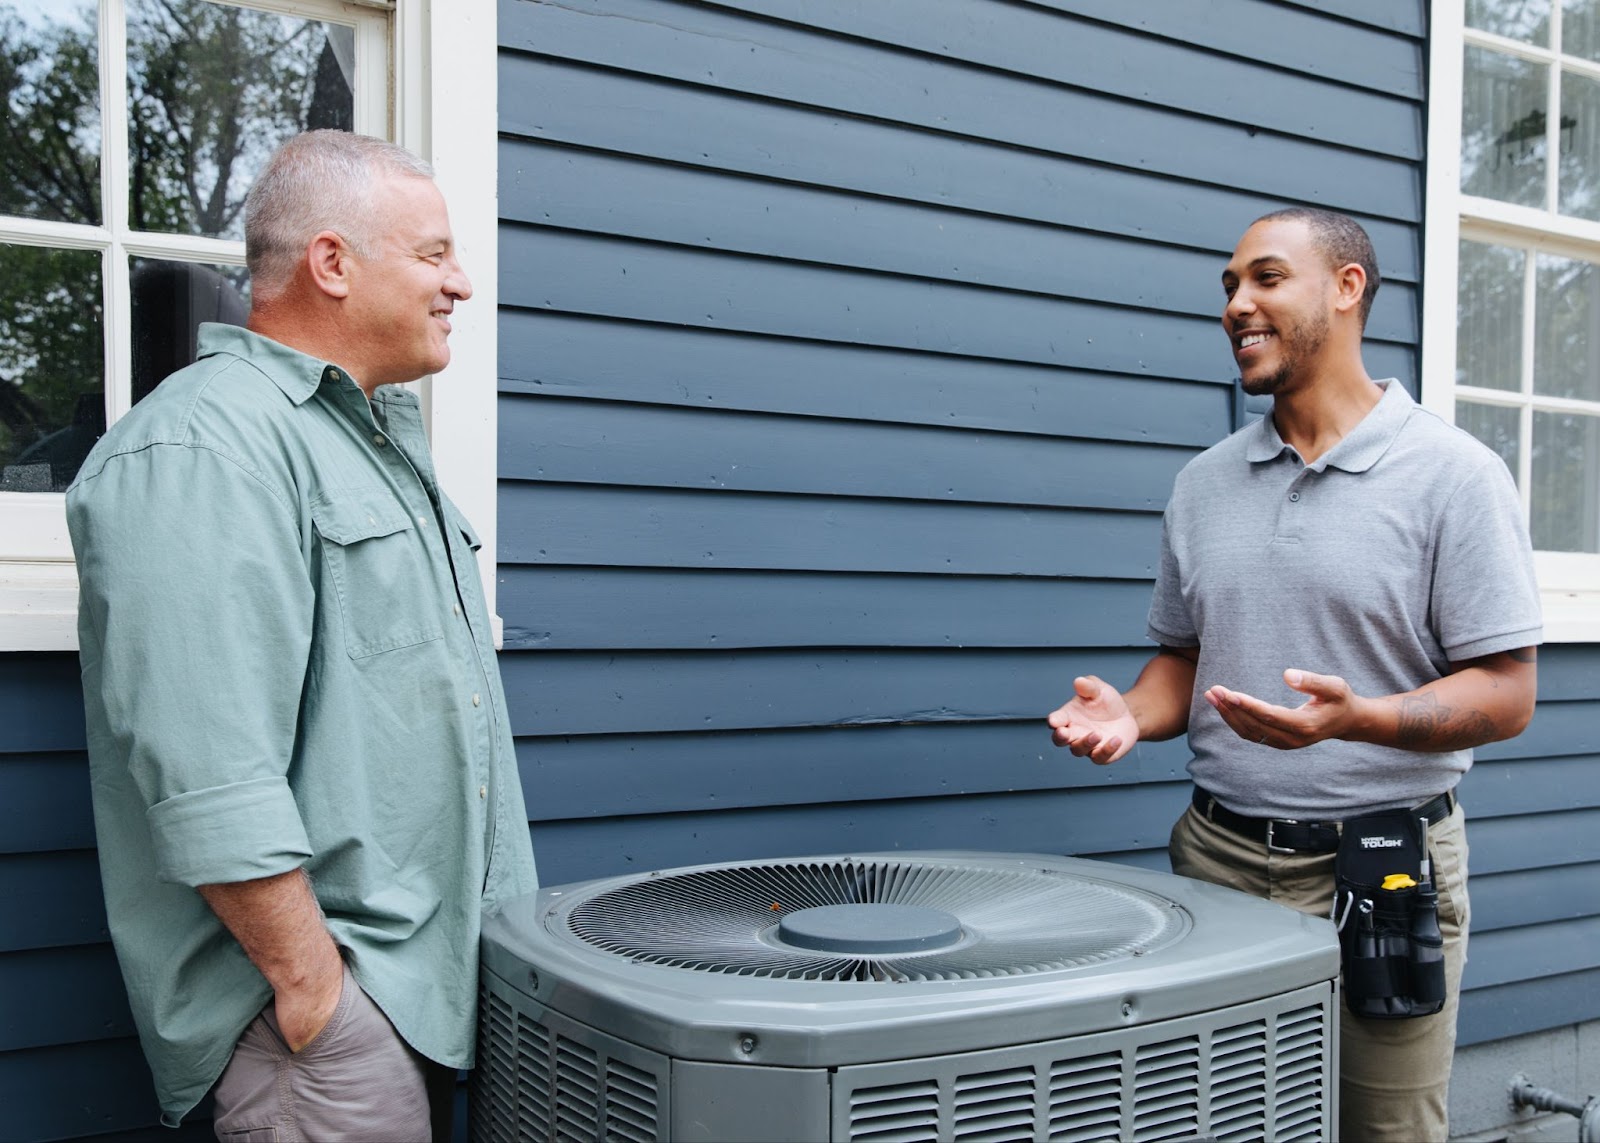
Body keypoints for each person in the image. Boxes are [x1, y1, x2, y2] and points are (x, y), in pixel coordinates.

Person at [67, 130, 538, 1140]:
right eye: (433, 253)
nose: (459, 283)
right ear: (332, 263)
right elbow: (208, 767)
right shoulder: (204, 446)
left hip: (420, 994)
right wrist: (318, 1001)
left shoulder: (368, 445)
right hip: (317, 1024)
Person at [1046, 208, 1541, 1142]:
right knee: (1219, 1124)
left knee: (1384, 1132)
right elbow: (1185, 661)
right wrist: (1129, 714)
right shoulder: (1203, 483)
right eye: (1229, 287)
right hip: (1218, 862)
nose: (1237, 304)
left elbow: (1510, 691)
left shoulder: (1455, 475)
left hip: (1384, 867)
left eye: (1266, 279)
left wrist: (1363, 719)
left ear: (1347, 289)